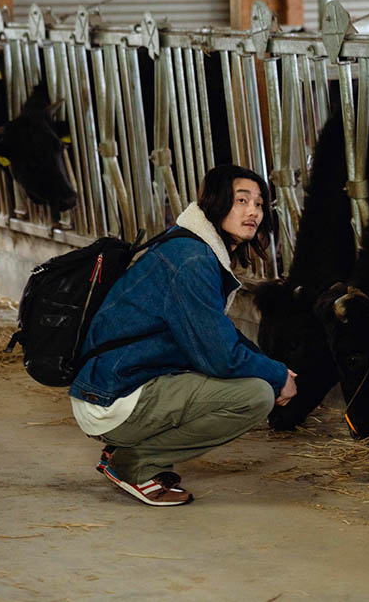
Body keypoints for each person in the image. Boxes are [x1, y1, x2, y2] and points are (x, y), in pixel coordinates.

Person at [69, 165, 297, 506]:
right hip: (114, 396)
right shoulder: (192, 261)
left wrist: (269, 364)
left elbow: (217, 333)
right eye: (241, 200)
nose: (253, 211)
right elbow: (221, 356)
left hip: (115, 383)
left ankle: (127, 448)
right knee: (255, 395)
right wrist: (277, 375)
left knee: (251, 377)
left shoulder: (191, 247)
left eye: (260, 204)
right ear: (215, 203)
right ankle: (134, 464)